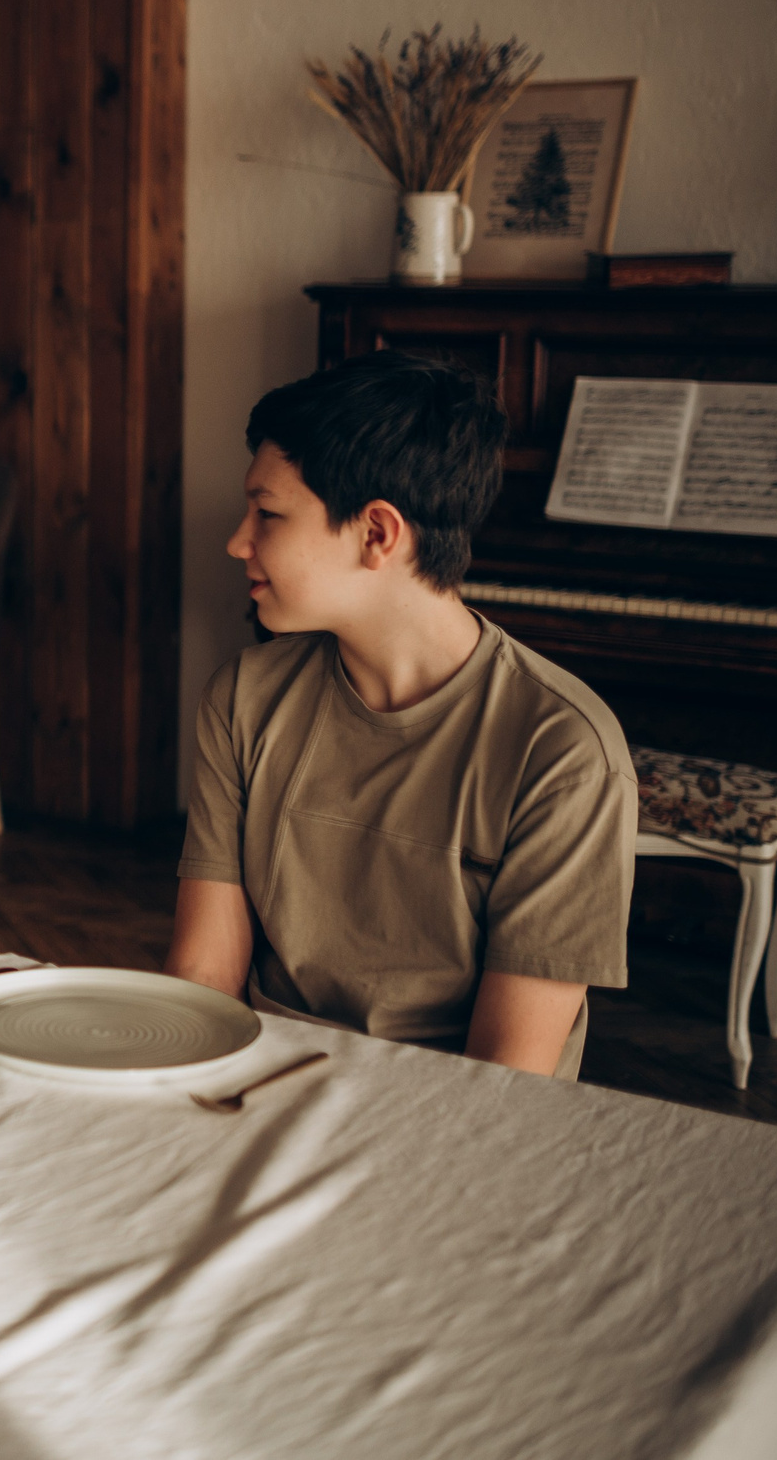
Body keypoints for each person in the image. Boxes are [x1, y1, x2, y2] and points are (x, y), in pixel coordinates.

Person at [166, 350, 636, 1078]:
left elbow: (510, 1078)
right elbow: (204, 975)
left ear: (378, 534)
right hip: (253, 1090)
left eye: (268, 513)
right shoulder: (243, 696)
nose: (237, 541)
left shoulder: (564, 752)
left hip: (452, 1131)